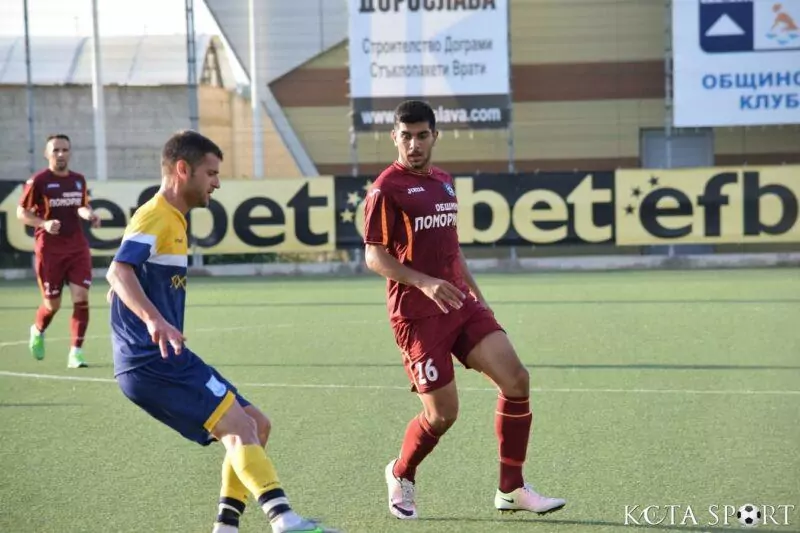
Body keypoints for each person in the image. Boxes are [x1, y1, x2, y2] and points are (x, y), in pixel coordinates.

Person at [106, 130, 337, 533]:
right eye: (211, 173)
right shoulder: (156, 214)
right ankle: (284, 520)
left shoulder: (172, 218)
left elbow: (125, 280)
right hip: (152, 360)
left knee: (256, 424)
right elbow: (117, 271)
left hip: (163, 357)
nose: (217, 183)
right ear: (183, 169)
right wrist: (153, 320)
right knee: (240, 428)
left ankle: (226, 526)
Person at [362, 100, 567, 520]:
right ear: (394, 137)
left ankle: (512, 488)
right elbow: (374, 257)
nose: (414, 145)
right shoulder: (386, 188)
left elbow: (451, 249)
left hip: (459, 302)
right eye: (406, 136)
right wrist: (424, 282)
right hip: (417, 316)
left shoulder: (444, 181)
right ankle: (401, 472)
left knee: (516, 379)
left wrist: (477, 295)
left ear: (435, 136)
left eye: (422, 135)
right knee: (442, 415)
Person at [16, 133, 100, 369]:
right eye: (56, 150)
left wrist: (90, 215)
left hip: (77, 248)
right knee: (52, 305)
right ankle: (38, 329)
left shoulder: (78, 180)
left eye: (65, 149)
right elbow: (21, 212)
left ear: (70, 153)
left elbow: (81, 206)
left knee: (81, 297)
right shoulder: (39, 181)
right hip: (50, 251)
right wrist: (43, 224)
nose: (61, 154)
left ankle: (76, 353)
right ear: (47, 154)